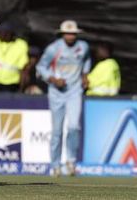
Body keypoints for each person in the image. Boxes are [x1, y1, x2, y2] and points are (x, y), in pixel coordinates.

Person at [36, 20, 91, 177]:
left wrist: (85, 75)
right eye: (67, 33)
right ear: (61, 34)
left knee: (74, 126)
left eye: (73, 33)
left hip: (75, 91)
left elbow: (86, 60)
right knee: (57, 131)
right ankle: (55, 165)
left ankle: (71, 162)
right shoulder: (54, 49)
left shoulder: (83, 47)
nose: (70, 36)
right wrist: (53, 79)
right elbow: (40, 67)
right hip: (56, 93)